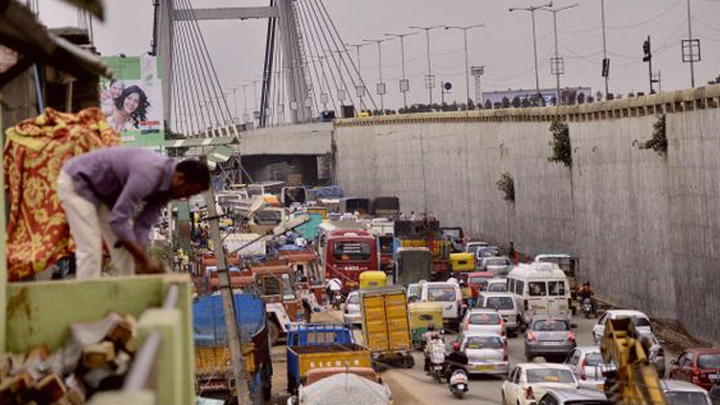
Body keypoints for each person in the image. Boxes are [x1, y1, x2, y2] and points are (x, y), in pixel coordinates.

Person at [57, 147, 210, 279]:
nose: (186, 197)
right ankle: (85, 300)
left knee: (128, 250)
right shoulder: (148, 175)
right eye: (190, 192)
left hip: (103, 194)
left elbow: (143, 224)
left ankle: (131, 290)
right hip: (77, 182)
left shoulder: (168, 188)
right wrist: (144, 259)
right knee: (91, 250)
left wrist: (141, 258)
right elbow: (118, 221)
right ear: (180, 179)